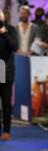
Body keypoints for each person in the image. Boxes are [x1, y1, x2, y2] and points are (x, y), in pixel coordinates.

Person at [0, 8, 18, 141]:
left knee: (6, 101)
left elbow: (14, 47)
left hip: (6, 69)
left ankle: (6, 130)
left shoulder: (10, 29)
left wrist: (4, 33)